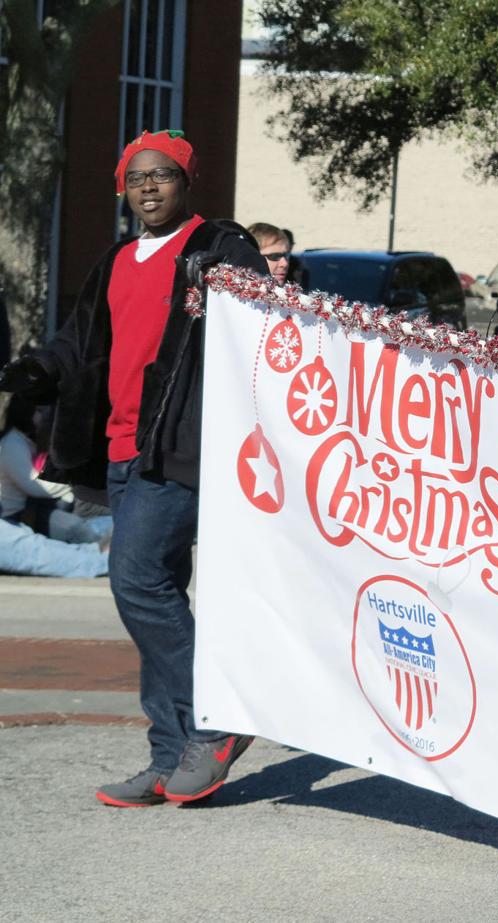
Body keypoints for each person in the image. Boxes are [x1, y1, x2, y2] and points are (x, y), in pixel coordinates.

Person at [0, 129, 267, 807]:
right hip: (120, 449)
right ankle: (167, 753)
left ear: (187, 183)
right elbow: (80, 340)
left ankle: (217, 719)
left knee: (136, 578)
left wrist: (222, 281)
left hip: (179, 445)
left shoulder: (217, 244)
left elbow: (260, 315)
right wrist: (38, 369)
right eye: (136, 177)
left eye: (162, 175)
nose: (148, 187)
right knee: (155, 593)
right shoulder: (119, 257)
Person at [0, 393, 111, 545]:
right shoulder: (12, 444)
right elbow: (35, 486)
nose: (44, 415)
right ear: (24, 413)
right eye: (38, 411)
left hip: (32, 508)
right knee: (80, 528)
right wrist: (71, 484)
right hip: (16, 516)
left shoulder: (21, 440)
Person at [246, 221, 293, 286]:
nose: (285, 264)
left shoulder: (293, 292)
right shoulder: (232, 295)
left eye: (287, 255)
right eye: (274, 256)